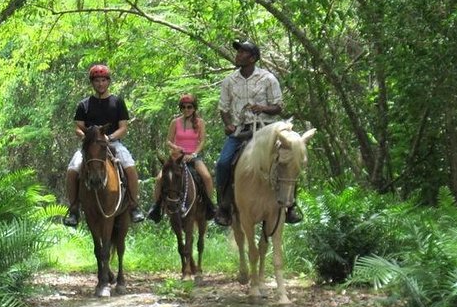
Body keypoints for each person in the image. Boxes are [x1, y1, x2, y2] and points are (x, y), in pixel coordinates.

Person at [213, 39, 301, 226]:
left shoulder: (268, 78)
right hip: (240, 131)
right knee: (222, 164)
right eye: (238, 52)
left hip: (265, 129)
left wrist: (262, 107)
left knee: (289, 155)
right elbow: (223, 107)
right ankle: (224, 206)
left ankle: (291, 205)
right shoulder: (229, 81)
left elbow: (278, 107)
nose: (237, 54)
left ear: (253, 58)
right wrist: (228, 124)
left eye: (242, 52)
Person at [63, 64, 145, 227]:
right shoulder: (84, 104)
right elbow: (78, 127)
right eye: (97, 81)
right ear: (92, 83)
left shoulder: (117, 102)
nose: (100, 84)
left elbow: (123, 127)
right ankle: (73, 209)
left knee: (129, 166)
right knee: (72, 169)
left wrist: (109, 137)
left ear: (108, 82)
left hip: (112, 142)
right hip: (90, 145)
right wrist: (87, 137)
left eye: (103, 80)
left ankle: (134, 206)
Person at [147, 93, 216, 222]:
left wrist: (194, 154)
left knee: (206, 177)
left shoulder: (200, 122)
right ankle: (156, 207)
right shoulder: (175, 122)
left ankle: (209, 206)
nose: (186, 109)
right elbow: (168, 140)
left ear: (194, 108)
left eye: (189, 107)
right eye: (183, 107)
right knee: (159, 178)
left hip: (193, 156)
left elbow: (202, 141)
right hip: (176, 157)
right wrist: (175, 148)